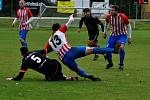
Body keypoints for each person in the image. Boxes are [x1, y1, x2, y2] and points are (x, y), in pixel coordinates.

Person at [44, 14, 120, 81]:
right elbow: (70, 21)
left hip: (65, 59)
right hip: (71, 51)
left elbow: (45, 51)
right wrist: (71, 16)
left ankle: (89, 76)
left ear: (52, 30)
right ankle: (114, 50)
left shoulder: (50, 41)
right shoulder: (60, 31)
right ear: (58, 28)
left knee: (77, 69)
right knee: (93, 49)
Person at [6, 47, 78, 81]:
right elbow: (46, 50)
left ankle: (64, 78)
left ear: (22, 54)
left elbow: (20, 77)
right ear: (28, 50)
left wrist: (12, 79)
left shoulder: (25, 61)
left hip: (50, 71)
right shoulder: (34, 51)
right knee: (53, 74)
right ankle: (67, 77)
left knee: (49, 78)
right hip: (56, 63)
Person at [103, 5, 132, 70]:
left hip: (122, 35)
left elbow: (128, 26)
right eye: (110, 10)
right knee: (107, 50)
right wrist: (104, 32)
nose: (111, 12)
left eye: (113, 10)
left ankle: (121, 64)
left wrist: (129, 37)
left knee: (121, 47)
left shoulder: (123, 17)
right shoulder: (108, 17)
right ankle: (110, 63)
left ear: (116, 11)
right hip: (113, 36)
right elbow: (106, 24)